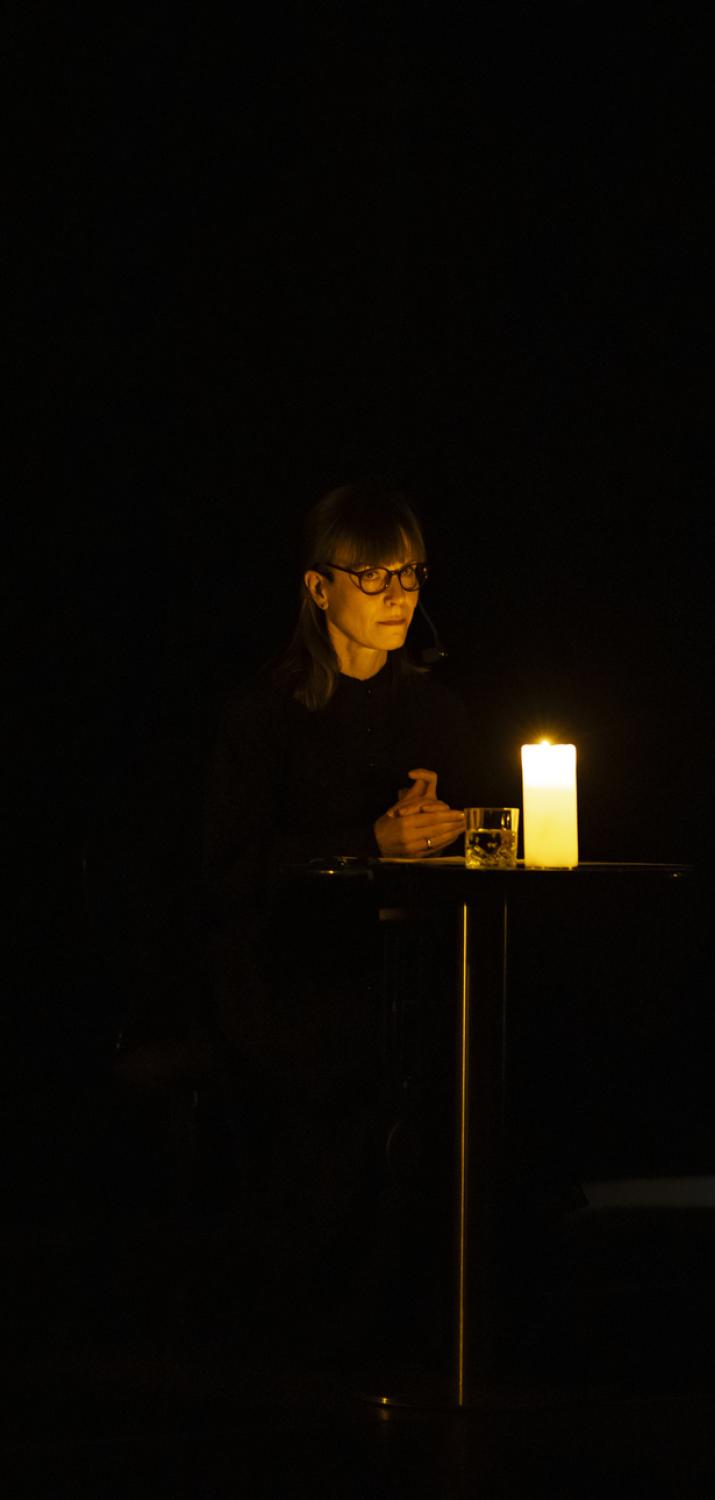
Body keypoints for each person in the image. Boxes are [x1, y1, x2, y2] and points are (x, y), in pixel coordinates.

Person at [202, 479, 473, 1330]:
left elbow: (473, 835)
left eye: (410, 574)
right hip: (287, 969)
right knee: (354, 1066)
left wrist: (454, 828)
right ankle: (321, 1317)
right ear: (320, 588)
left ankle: (443, 1311)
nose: (399, 595)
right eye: (374, 577)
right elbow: (228, 873)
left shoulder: (435, 711)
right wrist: (369, 842)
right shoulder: (264, 715)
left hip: (400, 967)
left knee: (473, 1046)